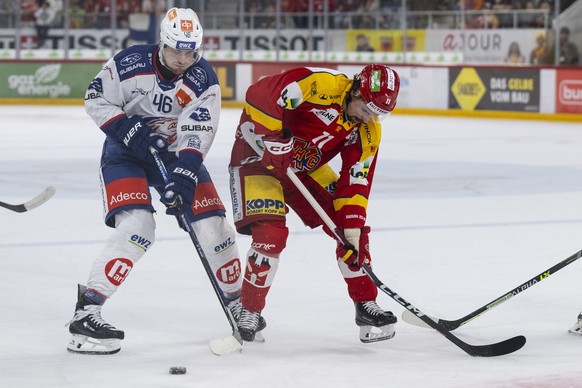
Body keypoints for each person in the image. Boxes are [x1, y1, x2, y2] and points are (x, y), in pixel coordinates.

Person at [67, 7, 251, 355]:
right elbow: (95, 99)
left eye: (190, 51)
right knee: (138, 226)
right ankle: (86, 311)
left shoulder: (203, 78)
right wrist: (126, 127)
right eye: (176, 50)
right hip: (125, 154)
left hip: (175, 154)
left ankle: (236, 303)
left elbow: (199, 129)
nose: (183, 59)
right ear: (162, 43)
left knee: (213, 225)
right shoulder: (128, 63)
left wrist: (184, 172)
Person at [228, 64, 400, 343]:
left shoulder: (367, 131)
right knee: (270, 235)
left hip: (304, 169)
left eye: (378, 114)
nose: (369, 119)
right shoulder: (322, 87)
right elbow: (261, 93)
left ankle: (365, 304)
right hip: (257, 158)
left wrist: (352, 226)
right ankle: (249, 310)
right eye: (367, 109)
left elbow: (356, 181)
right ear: (356, 89)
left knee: (350, 233)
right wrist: (272, 138)